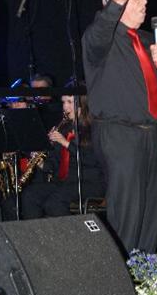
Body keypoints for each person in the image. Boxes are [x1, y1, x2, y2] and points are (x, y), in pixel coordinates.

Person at [82, 0, 157, 254]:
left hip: (150, 135)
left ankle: (143, 275)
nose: (145, 0)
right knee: (127, 217)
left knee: (150, 218)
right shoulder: (101, 39)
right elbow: (99, 32)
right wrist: (117, 1)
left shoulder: (148, 40)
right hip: (119, 134)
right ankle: (120, 278)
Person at [21, 89, 105, 219]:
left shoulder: (94, 128)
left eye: (69, 102)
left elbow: (93, 160)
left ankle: (70, 232)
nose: (65, 106)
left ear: (82, 105)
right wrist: (41, 163)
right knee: (30, 195)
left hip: (90, 182)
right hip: (66, 182)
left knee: (54, 203)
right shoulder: (63, 128)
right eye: (63, 102)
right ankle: (38, 232)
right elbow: (55, 165)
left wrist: (66, 143)